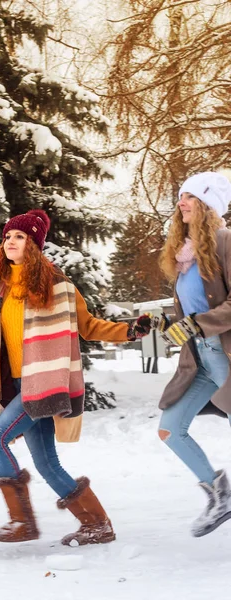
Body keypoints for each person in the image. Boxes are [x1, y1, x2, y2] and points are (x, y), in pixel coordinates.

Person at [0, 209, 151, 545]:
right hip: (18, 386)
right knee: (46, 463)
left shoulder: (59, 287)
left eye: (20, 236)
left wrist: (129, 332)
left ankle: (22, 522)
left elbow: (89, 326)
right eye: (8, 236)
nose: (10, 241)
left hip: (45, 384)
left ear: (34, 245)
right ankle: (97, 525)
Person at [154, 171, 231, 537]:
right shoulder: (185, 257)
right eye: (180, 197)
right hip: (200, 360)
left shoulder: (225, 242)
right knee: (170, 429)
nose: (181, 203)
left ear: (208, 204)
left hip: (226, 355)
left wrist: (199, 324)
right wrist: (170, 324)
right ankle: (219, 494)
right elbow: (190, 312)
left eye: (190, 197)